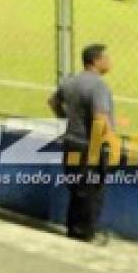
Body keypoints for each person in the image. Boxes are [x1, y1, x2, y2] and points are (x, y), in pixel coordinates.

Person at [48, 44, 114, 243]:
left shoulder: (69, 81)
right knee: (92, 191)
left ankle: (74, 231)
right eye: (106, 58)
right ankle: (85, 236)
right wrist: (111, 142)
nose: (110, 61)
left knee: (77, 189)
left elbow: (52, 102)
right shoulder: (98, 86)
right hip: (89, 145)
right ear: (96, 61)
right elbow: (100, 117)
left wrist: (66, 118)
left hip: (71, 142)